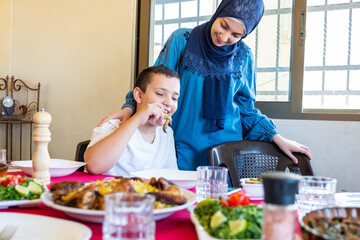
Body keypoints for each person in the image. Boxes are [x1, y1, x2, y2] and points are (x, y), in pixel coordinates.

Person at [99, 0, 312, 171]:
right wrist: (129, 109)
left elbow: (246, 110)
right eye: (224, 25)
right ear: (218, 11)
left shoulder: (244, 56)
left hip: (227, 152)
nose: (224, 36)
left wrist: (276, 136)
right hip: (182, 143)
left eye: (236, 35)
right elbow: (155, 84)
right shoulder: (182, 40)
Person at [84, 66, 180, 176]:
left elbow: (172, 177)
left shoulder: (167, 134)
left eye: (174, 98)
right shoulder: (112, 125)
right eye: (160, 94)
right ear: (138, 95)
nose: (169, 102)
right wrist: (137, 119)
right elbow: (94, 166)